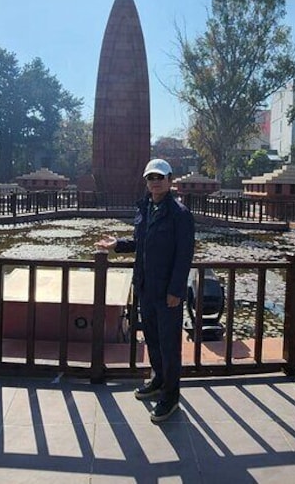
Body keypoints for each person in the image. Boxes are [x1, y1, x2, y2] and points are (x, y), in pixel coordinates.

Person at [95, 158, 195, 423]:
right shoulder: (145, 208)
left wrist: (176, 290)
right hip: (146, 288)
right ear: (146, 182)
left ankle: (171, 397)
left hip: (167, 293)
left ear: (170, 180)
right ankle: (158, 380)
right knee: (152, 338)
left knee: (169, 344)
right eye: (151, 178)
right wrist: (117, 244)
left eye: (160, 177)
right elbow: (141, 242)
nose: (155, 182)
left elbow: (184, 255)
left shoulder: (180, 214)